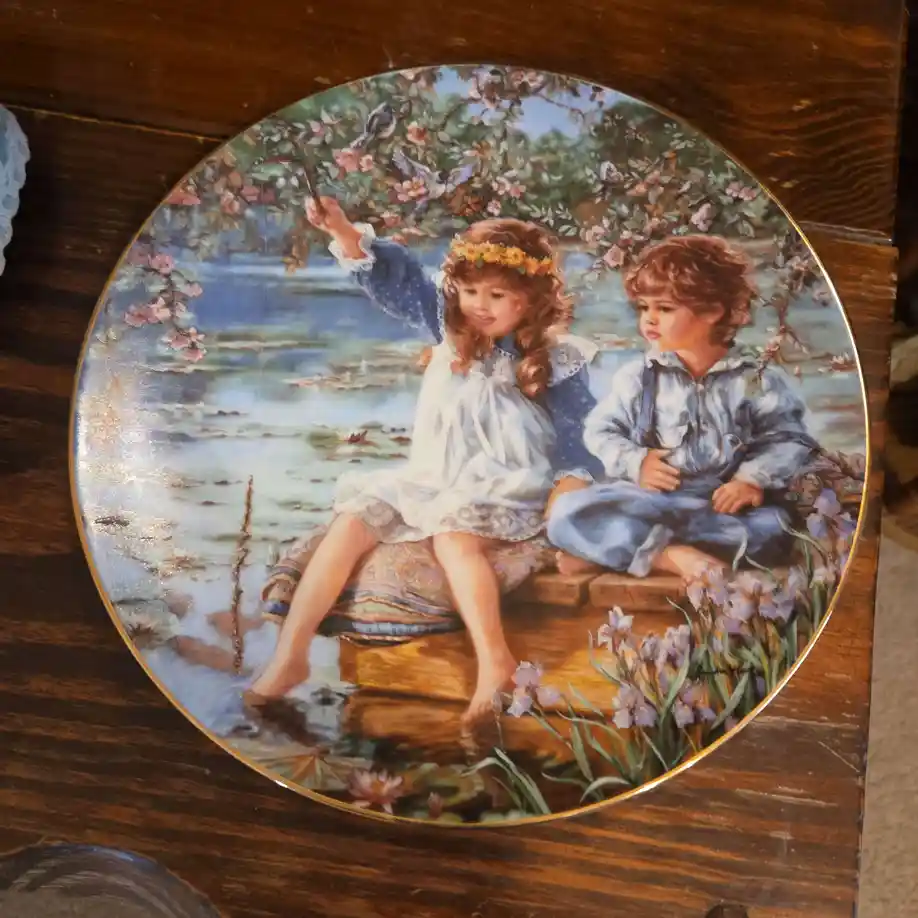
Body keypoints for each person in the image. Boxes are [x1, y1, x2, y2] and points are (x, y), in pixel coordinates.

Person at [249, 198, 602, 722]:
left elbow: (580, 437)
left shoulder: (556, 357)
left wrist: (570, 488)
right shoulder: (447, 326)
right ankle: (291, 654)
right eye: (470, 291)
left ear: (531, 299)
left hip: (509, 478)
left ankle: (495, 662)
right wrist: (343, 230)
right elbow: (398, 281)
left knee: (454, 538)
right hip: (437, 473)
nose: (479, 306)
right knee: (353, 518)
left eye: (497, 295)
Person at [547, 234, 820, 581]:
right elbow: (600, 430)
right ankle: (669, 557)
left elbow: (789, 440)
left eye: (664, 309)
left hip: (718, 508)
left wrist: (751, 479)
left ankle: (617, 552)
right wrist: (637, 462)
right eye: (643, 308)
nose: (649, 320)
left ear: (712, 311)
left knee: (772, 529)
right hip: (652, 501)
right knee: (568, 512)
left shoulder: (757, 379)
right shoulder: (639, 376)